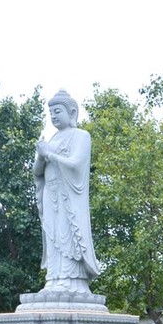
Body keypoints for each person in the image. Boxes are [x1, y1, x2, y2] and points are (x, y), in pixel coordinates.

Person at [33, 90, 100, 293]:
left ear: (71, 112)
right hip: (50, 194)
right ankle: (53, 278)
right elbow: (37, 172)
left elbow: (76, 164)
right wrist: (40, 156)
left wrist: (50, 155)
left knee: (67, 234)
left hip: (68, 197)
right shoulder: (51, 139)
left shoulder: (81, 136)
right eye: (51, 112)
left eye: (57, 111)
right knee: (52, 236)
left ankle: (72, 280)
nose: (53, 116)